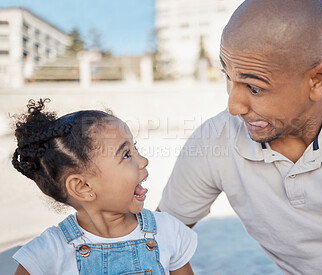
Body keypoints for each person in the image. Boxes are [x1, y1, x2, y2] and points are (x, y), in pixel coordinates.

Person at [158, 0, 322, 274]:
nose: (234, 106)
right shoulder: (215, 140)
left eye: (255, 88)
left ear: (317, 80)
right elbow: (157, 242)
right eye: (228, 76)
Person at [12, 99, 197, 275]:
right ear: (83, 187)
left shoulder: (168, 231)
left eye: (136, 148)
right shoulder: (45, 254)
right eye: (126, 154)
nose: (143, 161)